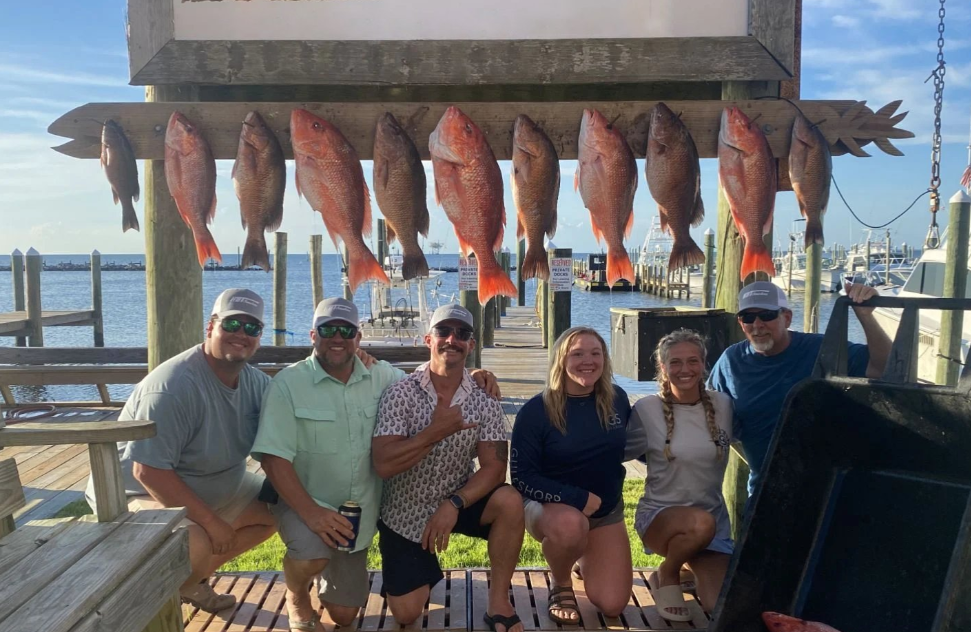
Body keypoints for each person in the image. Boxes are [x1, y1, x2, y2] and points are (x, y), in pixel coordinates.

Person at [251, 298, 501, 632]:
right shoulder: (287, 384)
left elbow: (436, 376)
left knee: (342, 615)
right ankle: (297, 594)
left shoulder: (382, 376)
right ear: (313, 334)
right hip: (305, 501)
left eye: (347, 331)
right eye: (328, 330)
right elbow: (272, 458)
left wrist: (475, 375)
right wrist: (312, 512)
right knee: (312, 556)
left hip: (359, 513)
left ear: (358, 338)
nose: (337, 337)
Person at [85, 288, 277, 613]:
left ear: (259, 336)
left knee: (279, 509)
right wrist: (211, 523)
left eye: (252, 328)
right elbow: (148, 472)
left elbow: (282, 440)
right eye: (232, 324)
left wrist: (361, 363)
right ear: (210, 327)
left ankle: (192, 583)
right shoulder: (172, 388)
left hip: (217, 484)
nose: (241, 334)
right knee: (192, 543)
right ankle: (154, 599)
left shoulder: (257, 384)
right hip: (135, 493)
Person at [371, 304, 525, 632]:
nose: (452, 339)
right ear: (429, 338)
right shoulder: (400, 393)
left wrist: (455, 503)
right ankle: (422, 568)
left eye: (463, 334)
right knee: (406, 613)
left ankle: (499, 600)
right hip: (404, 512)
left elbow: (495, 469)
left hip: (458, 498)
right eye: (444, 331)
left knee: (509, 501)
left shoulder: (484, 398)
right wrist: (434, 433)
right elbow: (383, 465)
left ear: (471, 344)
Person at [708, 281, 890, 495]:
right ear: (741, 323)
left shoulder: (823, 348)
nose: (757, 325)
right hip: (764, 490)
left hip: (827, 487)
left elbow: (883, 369)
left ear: (787, 318)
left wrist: (866, 317)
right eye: (748, 317)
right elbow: (710, 417)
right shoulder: (731, 361)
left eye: (766, 315)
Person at [509, 326, 633, 624]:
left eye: (595, 353)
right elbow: (522, 478)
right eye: (576, 354)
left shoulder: (617, 399)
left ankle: (581, 555)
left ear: (605, 358)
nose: (587, 361)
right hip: (549, 511)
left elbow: (635, 446)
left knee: (612, 604)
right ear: (561, 360)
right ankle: (562, 580)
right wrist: (575, 497)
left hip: (605, 511)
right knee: (570, 525)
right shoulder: (536, 411)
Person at [625, 329, 734, 621]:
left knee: (719, 607)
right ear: (662, 367)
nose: (685, 369)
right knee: (700, 522)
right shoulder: (646, 409)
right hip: (661, 518)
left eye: (692, 361)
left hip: (714, 526)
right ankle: (668, 570)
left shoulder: (723, 404)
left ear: (703, 363)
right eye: (675, 362)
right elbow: (613, 452)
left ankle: (687, 561)